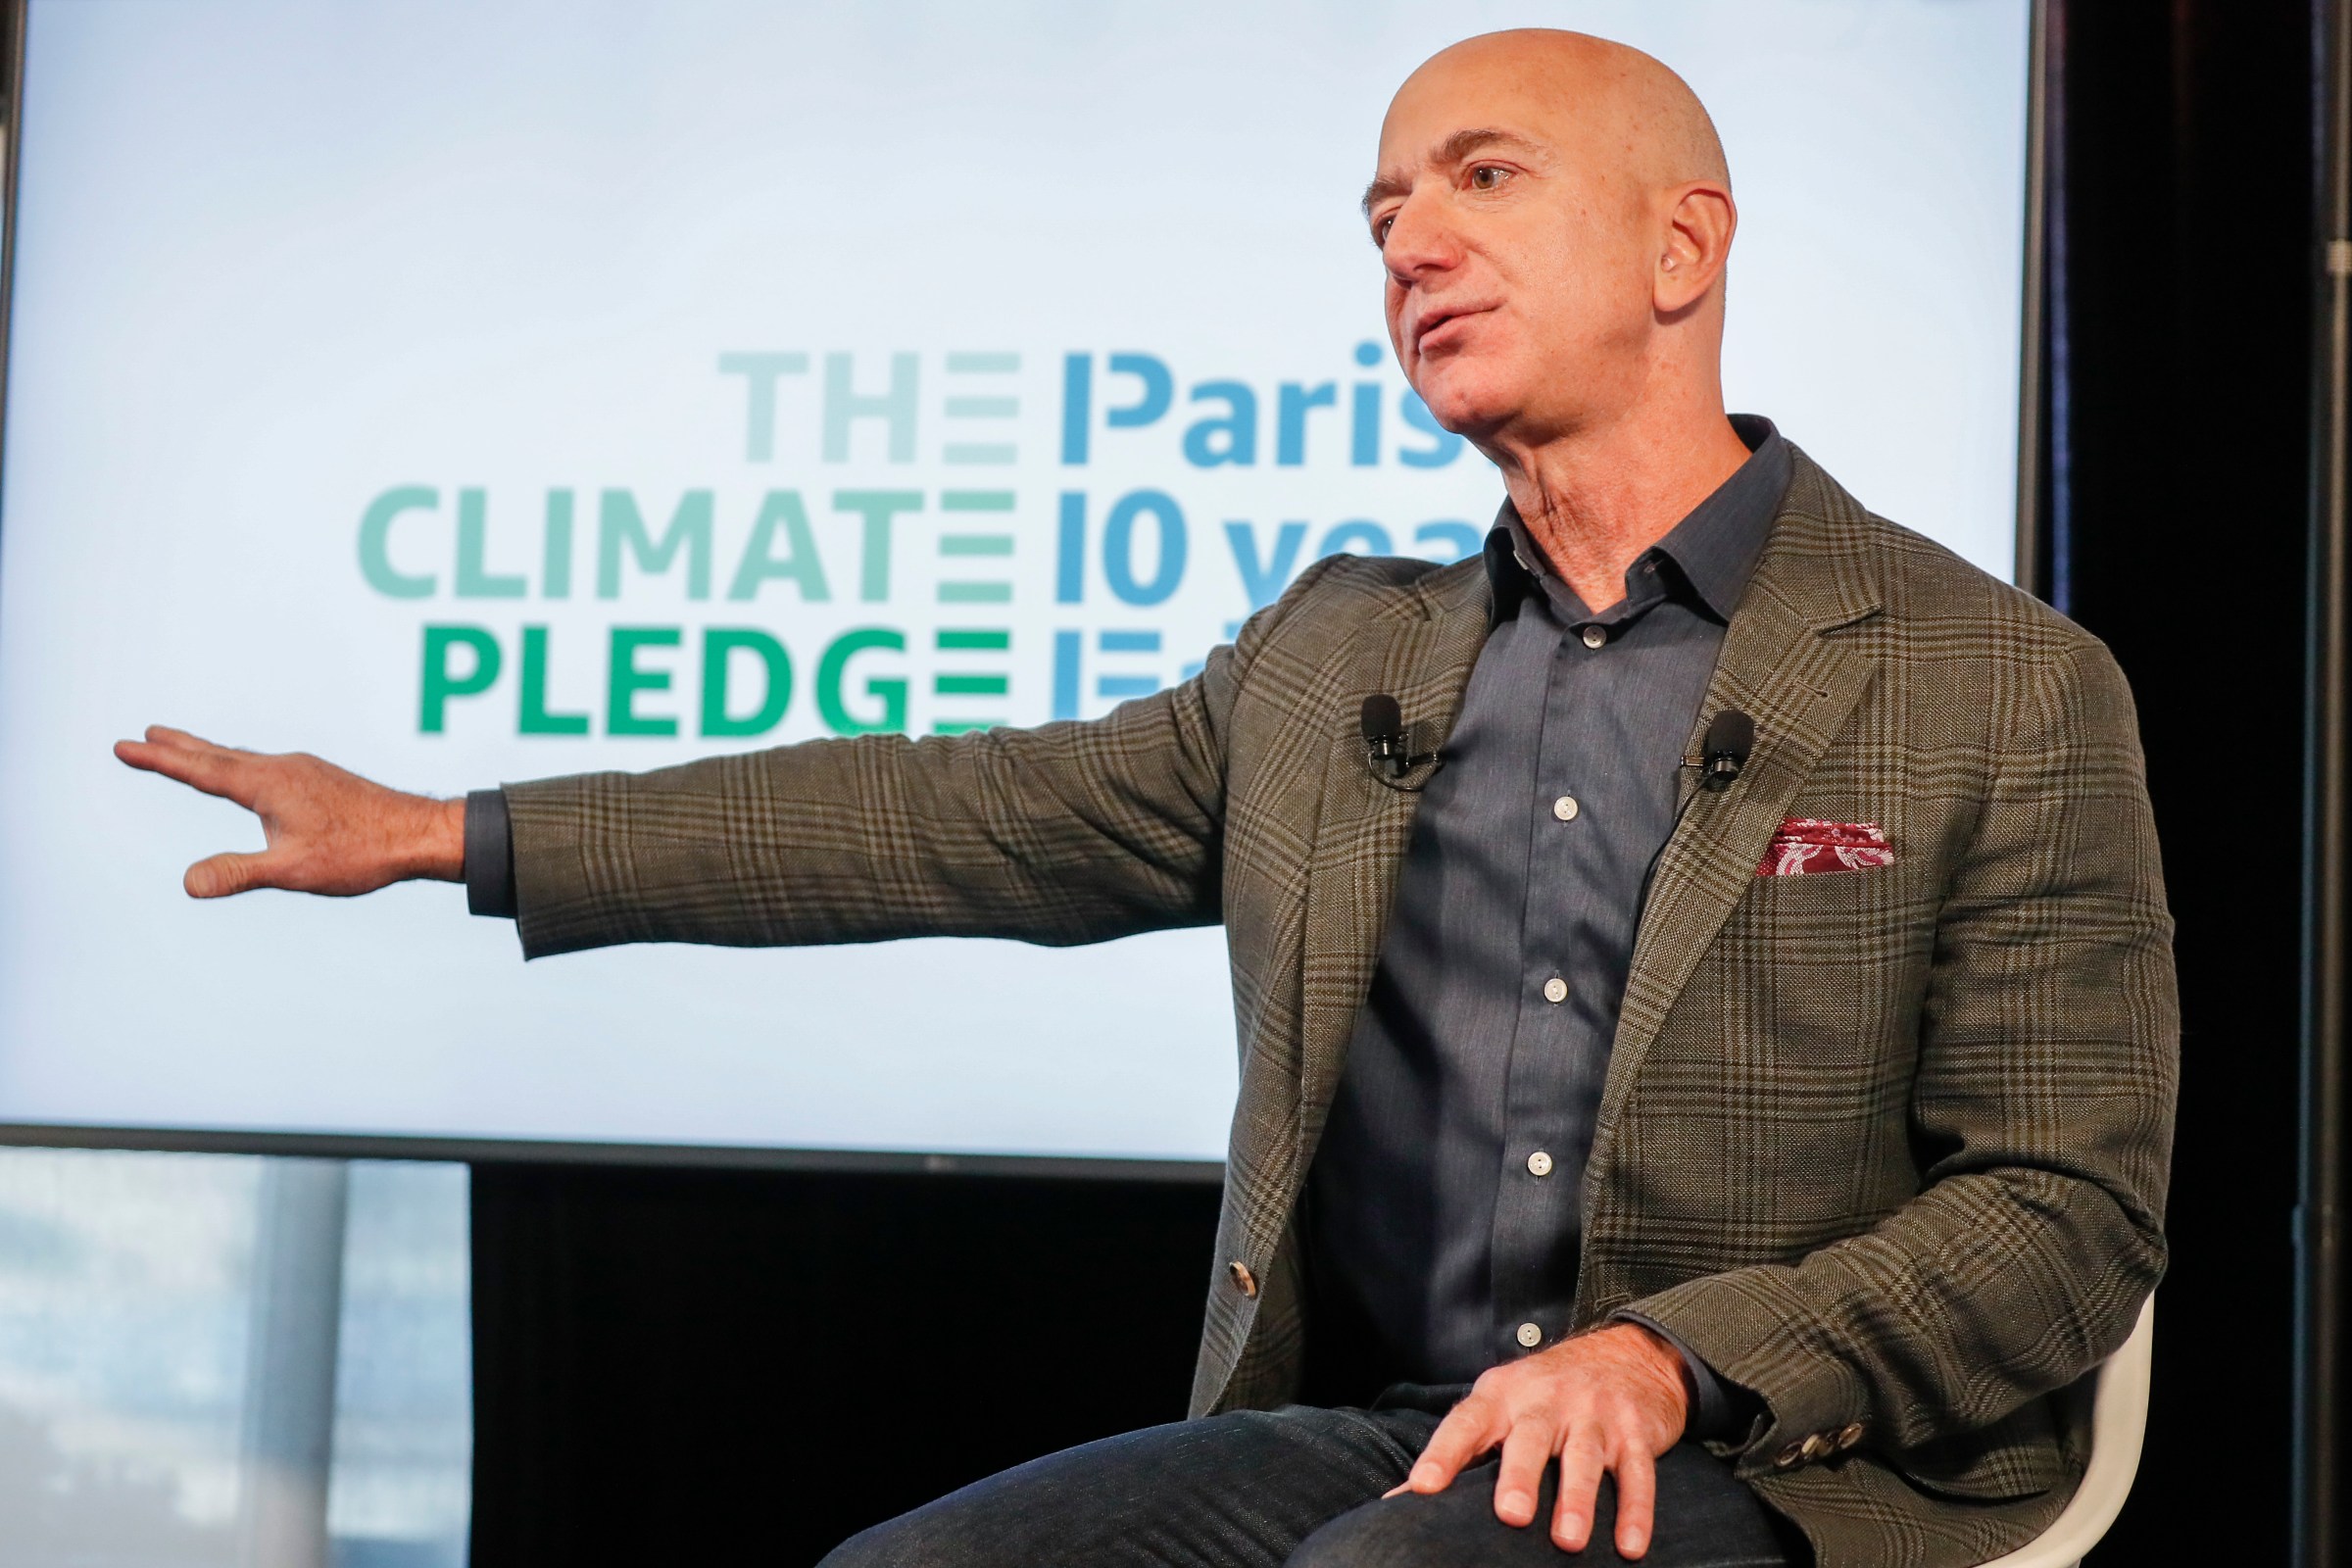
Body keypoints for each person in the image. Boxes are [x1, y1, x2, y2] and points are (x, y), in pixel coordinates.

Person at [116, 28, 2178, 1568]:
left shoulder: (1993, 681)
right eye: (1384, 214)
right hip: (1393, 1434)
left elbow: (2061, 1213)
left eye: (1481, 179)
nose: (1414, 244)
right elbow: (929, 816)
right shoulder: (1338, 659)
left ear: (1682, 242)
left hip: (1772, 1457)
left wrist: (1677, 1358)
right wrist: (446, 829)